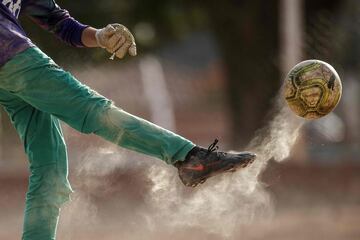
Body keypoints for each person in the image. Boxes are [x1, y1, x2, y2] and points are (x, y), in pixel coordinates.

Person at [0, 0, 256, 239]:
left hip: (9, 66)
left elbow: (58, 21)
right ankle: (188, 156)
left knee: (51, 169)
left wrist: (100, 36)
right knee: (93, 110)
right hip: (11, 53)